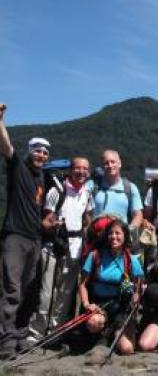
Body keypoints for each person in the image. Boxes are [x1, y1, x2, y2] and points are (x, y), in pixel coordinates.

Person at [0, 103, 50, 357]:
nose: (41, 155)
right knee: (12, 289)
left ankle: (20, 335)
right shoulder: (18, 165)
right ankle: (6, 341)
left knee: (30, 291)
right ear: (29, 152)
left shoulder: (42, 177)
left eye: (45, 153)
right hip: (15, 236)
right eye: (38, 151)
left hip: (35, 238)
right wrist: (0, 121)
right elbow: (6, 147)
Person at [29, 157, 93, 341]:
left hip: (75, 248)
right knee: (46, 291)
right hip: (54, 246)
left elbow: (87, 218)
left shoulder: (87, 193)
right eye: (77, 168)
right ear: (70, 170)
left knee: (65, 294)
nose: (81, 172)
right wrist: (54, 225)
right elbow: (47, 219)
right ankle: (36, 334)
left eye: (84, 169)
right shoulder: (56, 191)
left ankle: (55, 334)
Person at [78, 218, 143, 360]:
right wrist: (87, 304)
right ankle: (101, 336)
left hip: (122, 308)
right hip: (100, 305)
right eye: (111, 233)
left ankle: (111, 335)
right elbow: (82, 284)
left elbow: (138, 288)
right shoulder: (95, 256)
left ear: (125, 236)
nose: (114, 237)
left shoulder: (132, 260)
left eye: (118, 233)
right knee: (94, 322)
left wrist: (136, 297)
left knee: (127, 349)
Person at [93, 149, 143, 228]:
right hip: (97, 236)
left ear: (119, 164)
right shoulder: (93, 186)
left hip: (119, 237)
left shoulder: (130, 188)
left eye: (113, 162)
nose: (110, 165)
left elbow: (137, 215)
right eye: (106, 163)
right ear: (102, 166)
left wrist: (129, 232)